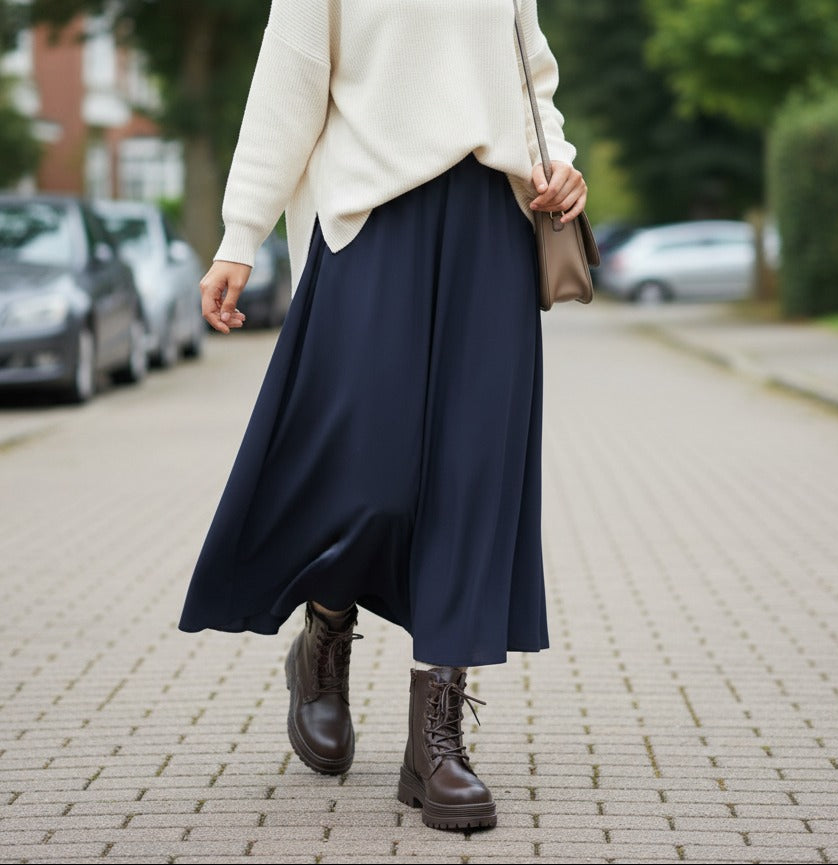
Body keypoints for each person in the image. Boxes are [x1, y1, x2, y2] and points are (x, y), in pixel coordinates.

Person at [178, 0, 587, 832]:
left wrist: (562, 161)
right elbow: (288, 79)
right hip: (369, 219)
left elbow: (527, 72)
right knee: (370, 475)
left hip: (491, 221)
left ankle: (434, 740)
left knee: (471, 475)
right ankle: (325, 628)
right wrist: (239, 234)